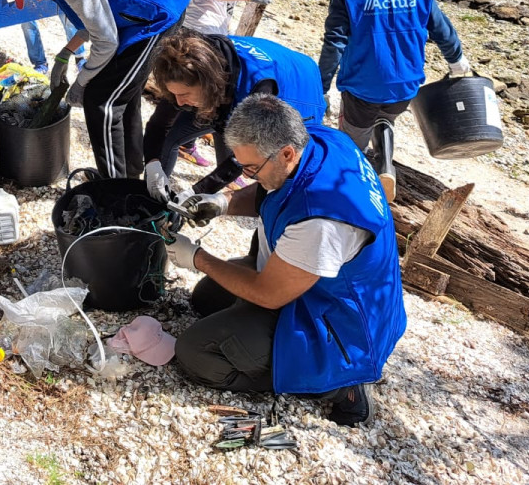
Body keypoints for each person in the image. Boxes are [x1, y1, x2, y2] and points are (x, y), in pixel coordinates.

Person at [166, 94, 406, 427]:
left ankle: (334, 384)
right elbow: (270, 188)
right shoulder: (319, 141)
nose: (248, 176)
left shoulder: (321, 219)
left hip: (339, 324)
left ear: (287, 153)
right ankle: (269, 344)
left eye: (252, 168)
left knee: (196, 355)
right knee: (206, 298)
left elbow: (270, 294)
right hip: (308, 281)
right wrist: (222, 203)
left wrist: (197, 258)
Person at [1, 0, 201, 180]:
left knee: (103, 103)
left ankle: (113, 188)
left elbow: (106, 41)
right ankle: (128, 174)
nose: (37, 0)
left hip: (157, 12)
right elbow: (93, 20)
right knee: (123, 93)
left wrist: (81, 82)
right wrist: (66, 53)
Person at [318, 0, 472, 200]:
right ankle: (385, 165)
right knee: (386, 116)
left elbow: (335, 41)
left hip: (361, 85)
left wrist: (322, 87)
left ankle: (353, 193)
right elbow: (442, 29)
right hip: (406, 85)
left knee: (352, 141)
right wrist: (457, 63)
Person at [145, 0, 288, 165]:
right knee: (188, 104)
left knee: (202, 104)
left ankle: (186, 146)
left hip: (199, 32)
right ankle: (160, 160)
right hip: (201, 37)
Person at [142, 32, 326, 202]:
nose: (179, 102)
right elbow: (159, 124)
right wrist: (152, 164)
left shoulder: (257, 90)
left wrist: (195, 192)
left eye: (185, 95)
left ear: (209, 85)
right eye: (175, 94)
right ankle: (154, 202)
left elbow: (240, 159)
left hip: (298, 90)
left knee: (265, 168)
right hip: (226, 90)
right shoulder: (186, 65)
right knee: (174, 135)